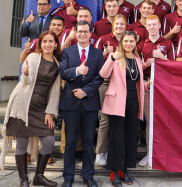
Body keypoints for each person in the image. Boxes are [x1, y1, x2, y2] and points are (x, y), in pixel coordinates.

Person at [0, 30, 62, 187]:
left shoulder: (57, 64)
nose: (47, 44)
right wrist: (25, 73)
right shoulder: (33, 57)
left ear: (55, 44)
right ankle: (24, 180)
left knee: (48, 140)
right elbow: (26, 82)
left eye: (51, 41)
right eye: (44, 41)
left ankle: (38, 176)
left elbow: (55, 91)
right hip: (21, 106)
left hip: (40, 108)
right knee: (21, 143)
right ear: (40, 44)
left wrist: (50, 112)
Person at [58, 20, 105, 187]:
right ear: (75, 33)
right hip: (70, 103)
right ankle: (68, 177)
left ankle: (88, 176)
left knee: (88, 142)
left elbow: (100, 77)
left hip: (89, 103)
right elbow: (62, 72)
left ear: (91, 34)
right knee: (70, 142)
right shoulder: (67, 52)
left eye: (86, 31)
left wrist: (86, 91)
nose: (83, 34)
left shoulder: (98, 54)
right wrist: (76, 70)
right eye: (80, 32)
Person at [99, 31, 148, 187]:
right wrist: (111, 58)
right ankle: (114, 171)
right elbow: (103, 73)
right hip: (117, 102)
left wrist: (147, 84)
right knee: (116, 138)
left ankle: (124, 169)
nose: (128, 44)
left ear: (135, 43)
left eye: (131, 41)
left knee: (129, 137)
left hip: (133, 102)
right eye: (126, 41)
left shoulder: (137, 60)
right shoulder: (116, 57)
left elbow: (136, 80)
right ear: (121, 42)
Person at [137, 15, 175, 167]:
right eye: (149, 25)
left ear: (160, 25)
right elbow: (136, 69)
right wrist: (146, 66)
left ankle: (167, 153)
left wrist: (162, 57)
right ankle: (150, 154)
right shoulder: (140, 45)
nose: (152, 27)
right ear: (146, 27)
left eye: (155, 24)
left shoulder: (168, 43)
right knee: (150, 122)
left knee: (166, 121)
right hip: (148, 86)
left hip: (166, 88)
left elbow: (175, 66)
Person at [94, 14, 128, 166]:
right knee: (105, 119)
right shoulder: (103, 39)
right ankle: (101, 152)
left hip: (122, 83)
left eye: (122, 24)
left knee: (120, 120)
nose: (119, 27)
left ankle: (114, 151)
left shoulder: (128, 40)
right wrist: (106, 54)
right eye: (117, 24)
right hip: (106, 82)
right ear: (113, 25)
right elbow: (94, 61)